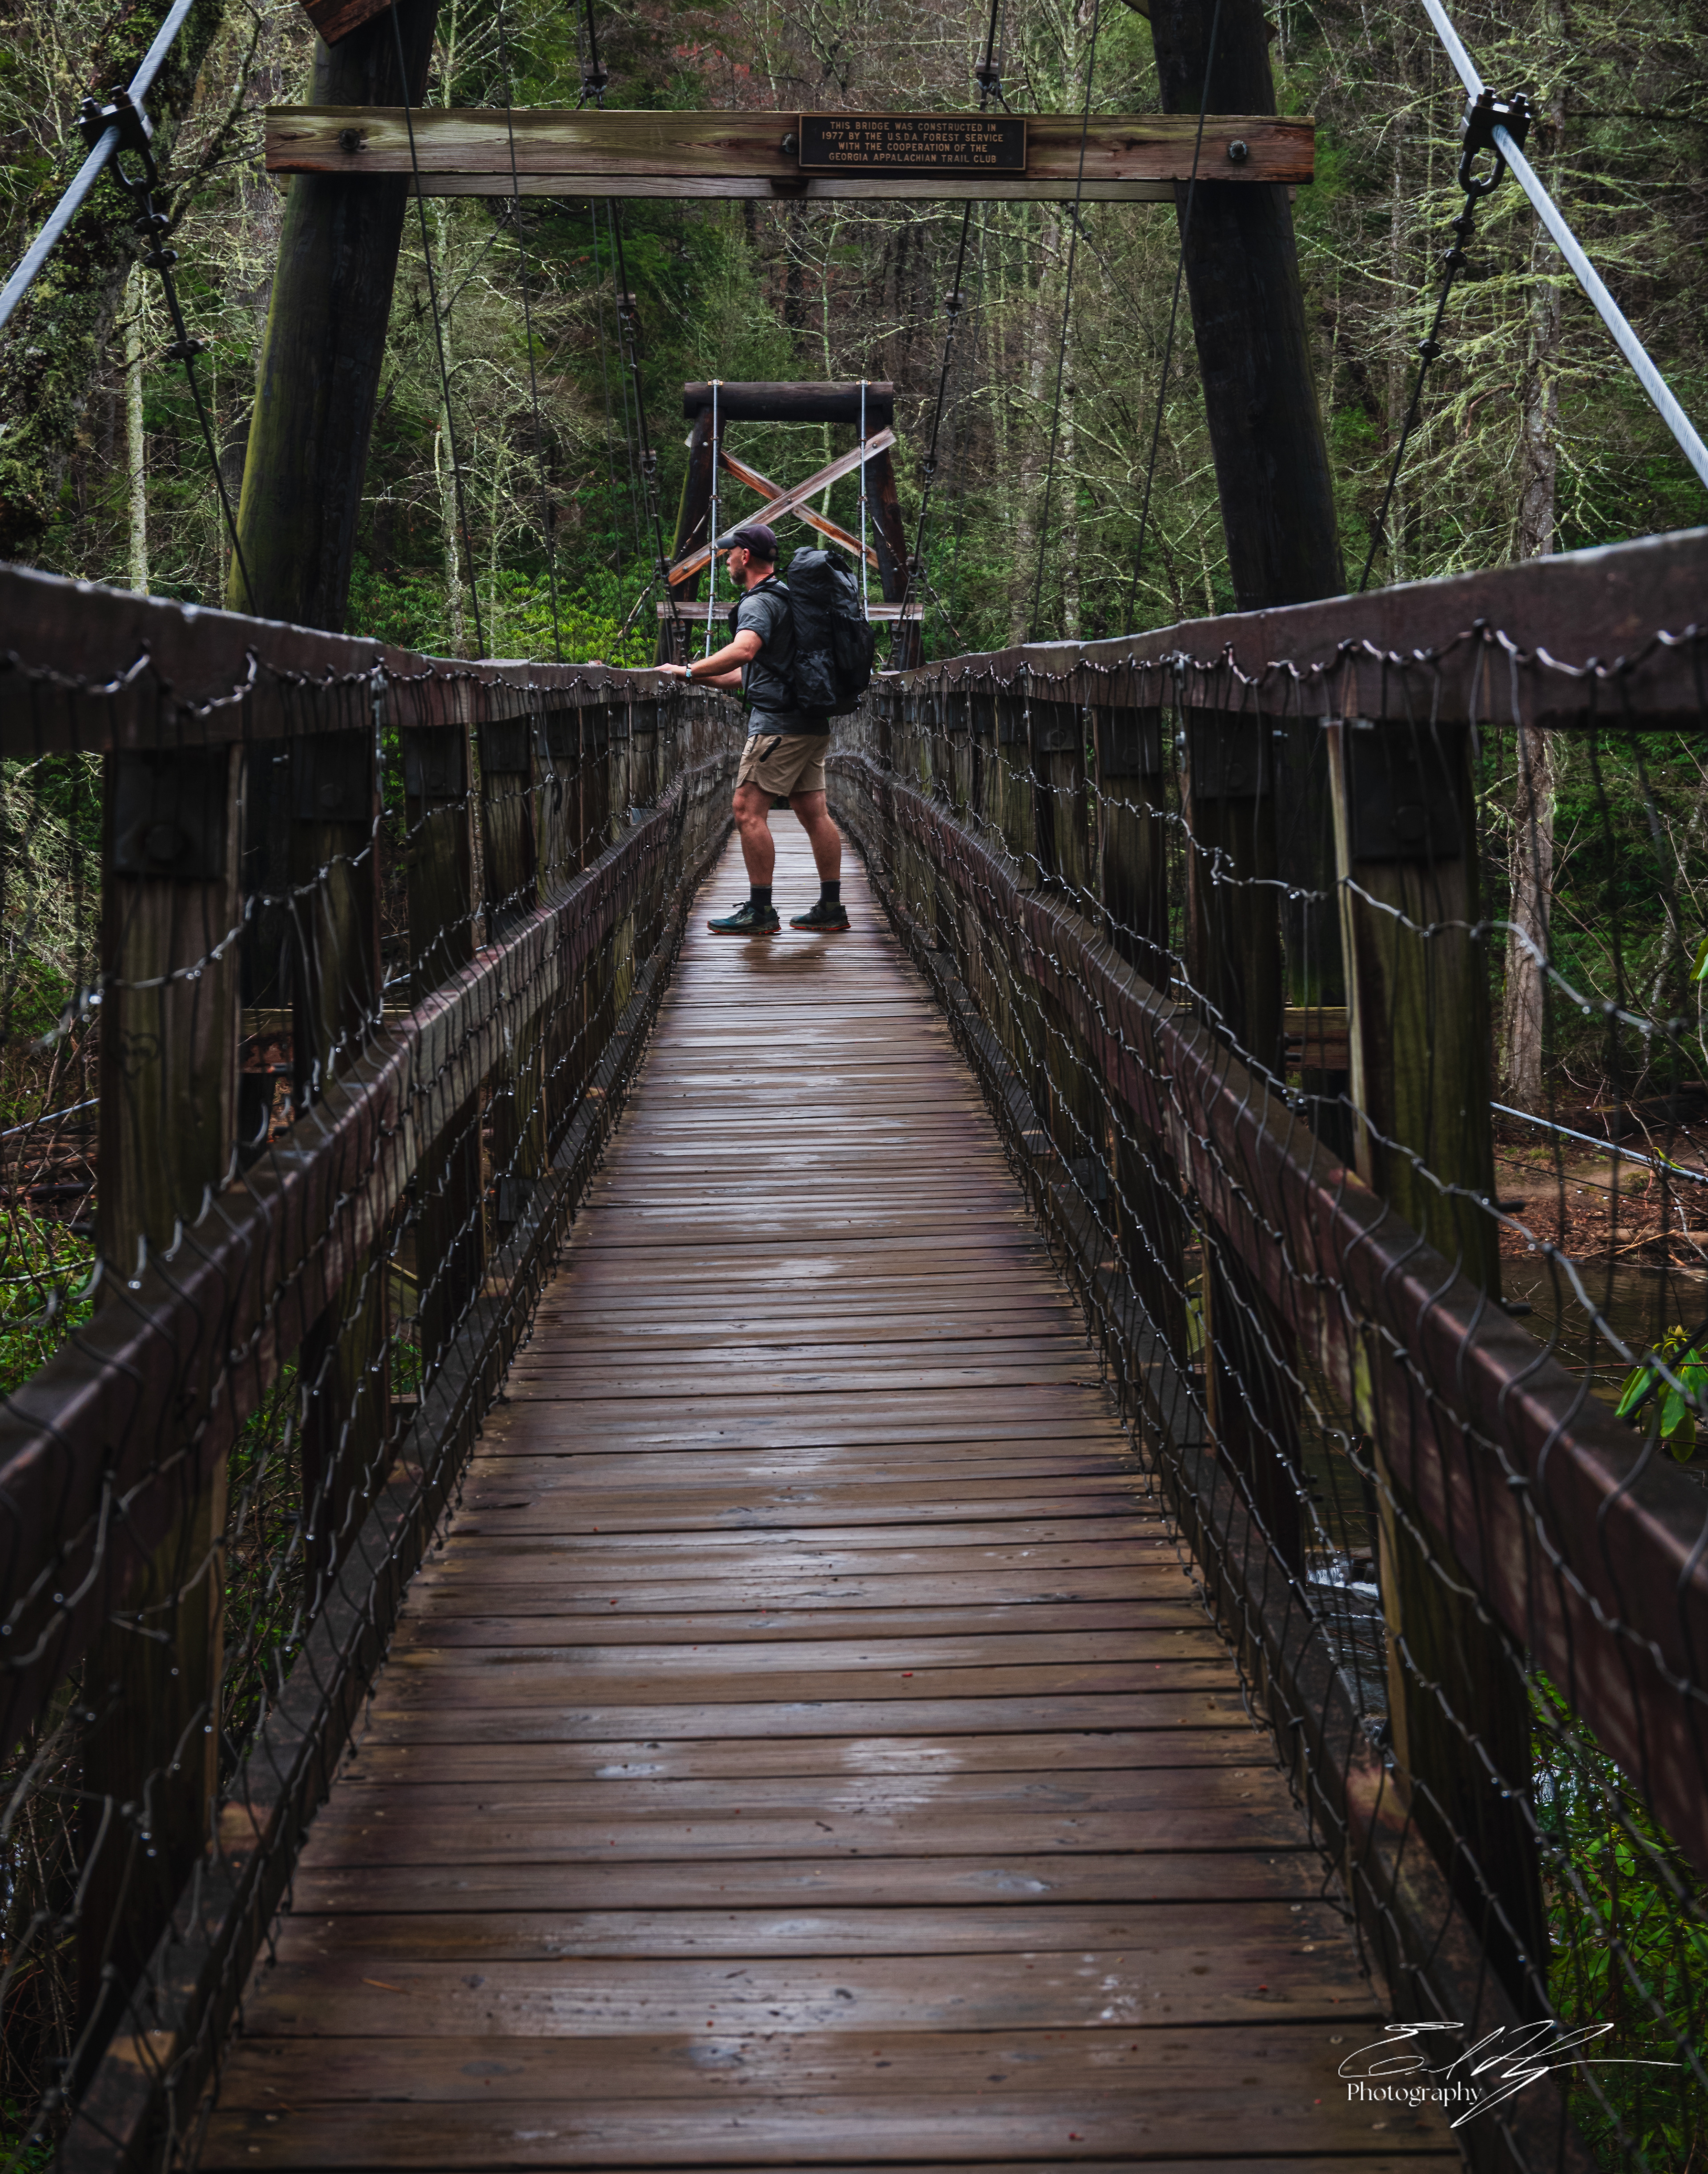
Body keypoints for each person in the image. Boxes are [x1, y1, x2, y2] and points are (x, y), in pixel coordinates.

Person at [660, 521, 849, 936]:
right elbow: (743, 676)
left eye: (729, 552)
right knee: (813, 811)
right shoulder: (789, 598)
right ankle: (831, 906)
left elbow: (743, 651)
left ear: (745, 556)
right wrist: (685, 676)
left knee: (747, 809)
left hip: (778, 726)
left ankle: (761, 911)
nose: (726, 558)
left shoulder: (758, 603)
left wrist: (689, 670)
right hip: (810, 721)